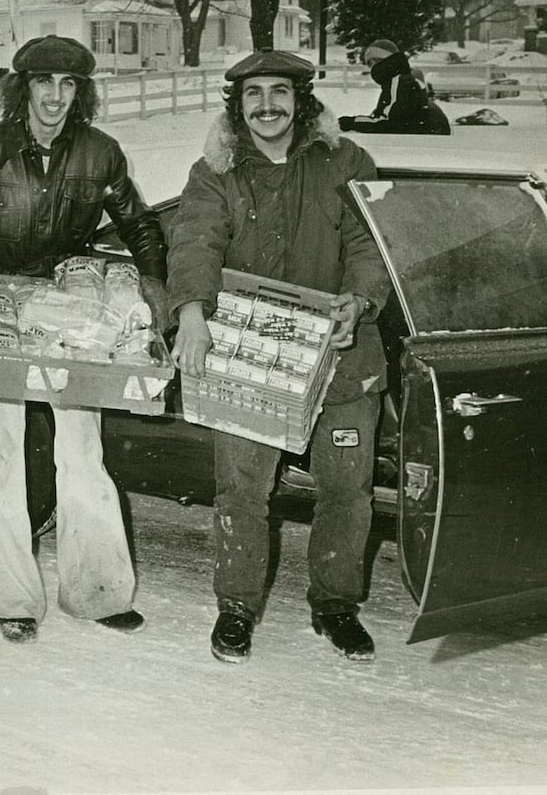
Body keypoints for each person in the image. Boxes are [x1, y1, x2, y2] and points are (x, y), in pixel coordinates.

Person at [0, 34, 172, 644]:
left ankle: (97, 593)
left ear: (79, 93)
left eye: (68, 86)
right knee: (2, 453)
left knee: (82, 451)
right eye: (43, 83)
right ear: (23, 88)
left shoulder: (100, 152)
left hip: (70, 303)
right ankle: (12, 598)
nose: (55, 97)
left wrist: (156, 284)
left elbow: (138, 224)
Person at [166, 48, 392, 665]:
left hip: (343, 355)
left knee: (348, 490)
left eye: (279, 92)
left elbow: (369, 242)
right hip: (252, 356)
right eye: (253, 94)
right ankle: (236, 610)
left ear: (302, 99)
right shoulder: (214, 171)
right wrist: (190, 309)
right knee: (241, 489)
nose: (267, 105)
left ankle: (335, 606)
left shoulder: (345, 161)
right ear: (237, 106)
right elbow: (195, 241)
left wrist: (361, 300)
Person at [339, 38, 451, 135]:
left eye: (370, 64)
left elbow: (387, 123)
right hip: (423, 139)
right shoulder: (404, 78)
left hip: (421, 143)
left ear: (378, 61)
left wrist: (349, 123)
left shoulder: (399, 81)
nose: (371, 70)